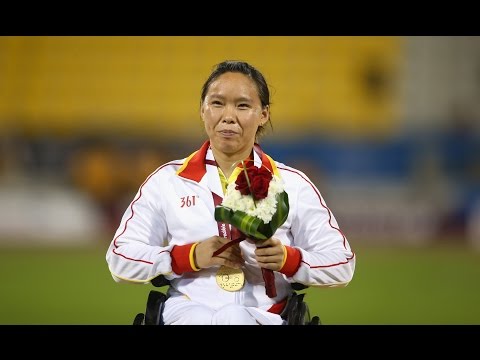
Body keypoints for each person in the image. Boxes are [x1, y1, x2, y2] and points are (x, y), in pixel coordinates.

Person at [106, 60, 356, 325]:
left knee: (233, 317)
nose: (228, 116)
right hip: (186, 311)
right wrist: (185, 256)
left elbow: (341, 265)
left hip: (263, 315)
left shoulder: (292, 184)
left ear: (264, 114)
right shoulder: (167, 181)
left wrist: (290, 260)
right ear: (202, 110)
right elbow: (120, 257)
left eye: (243, 105)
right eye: (217, 103)